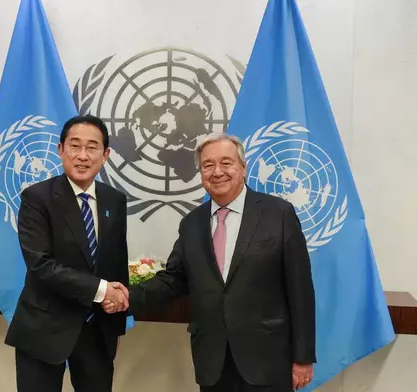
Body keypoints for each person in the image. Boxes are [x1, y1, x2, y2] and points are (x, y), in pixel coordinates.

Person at [109, 133, 316, 391]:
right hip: (213, 362)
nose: (217, 172)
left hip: (267, 360)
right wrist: (126, 296)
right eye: (208, 165)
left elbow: (301, 290)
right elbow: (174, 279)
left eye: (226, 163)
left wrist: (303, 357)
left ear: (243, 167)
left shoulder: (279, 214)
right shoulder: (192, 223)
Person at [5, 114, 130, 392]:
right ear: (60, 150)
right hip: (44, 329)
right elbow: (41, 265)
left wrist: (116, 323)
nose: (83, 155)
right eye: (75, 146)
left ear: (105, 154)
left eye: (92, 147)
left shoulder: (115, 200)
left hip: (97, 332)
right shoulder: (37, 198)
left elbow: (116, 263)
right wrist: (101, 290)